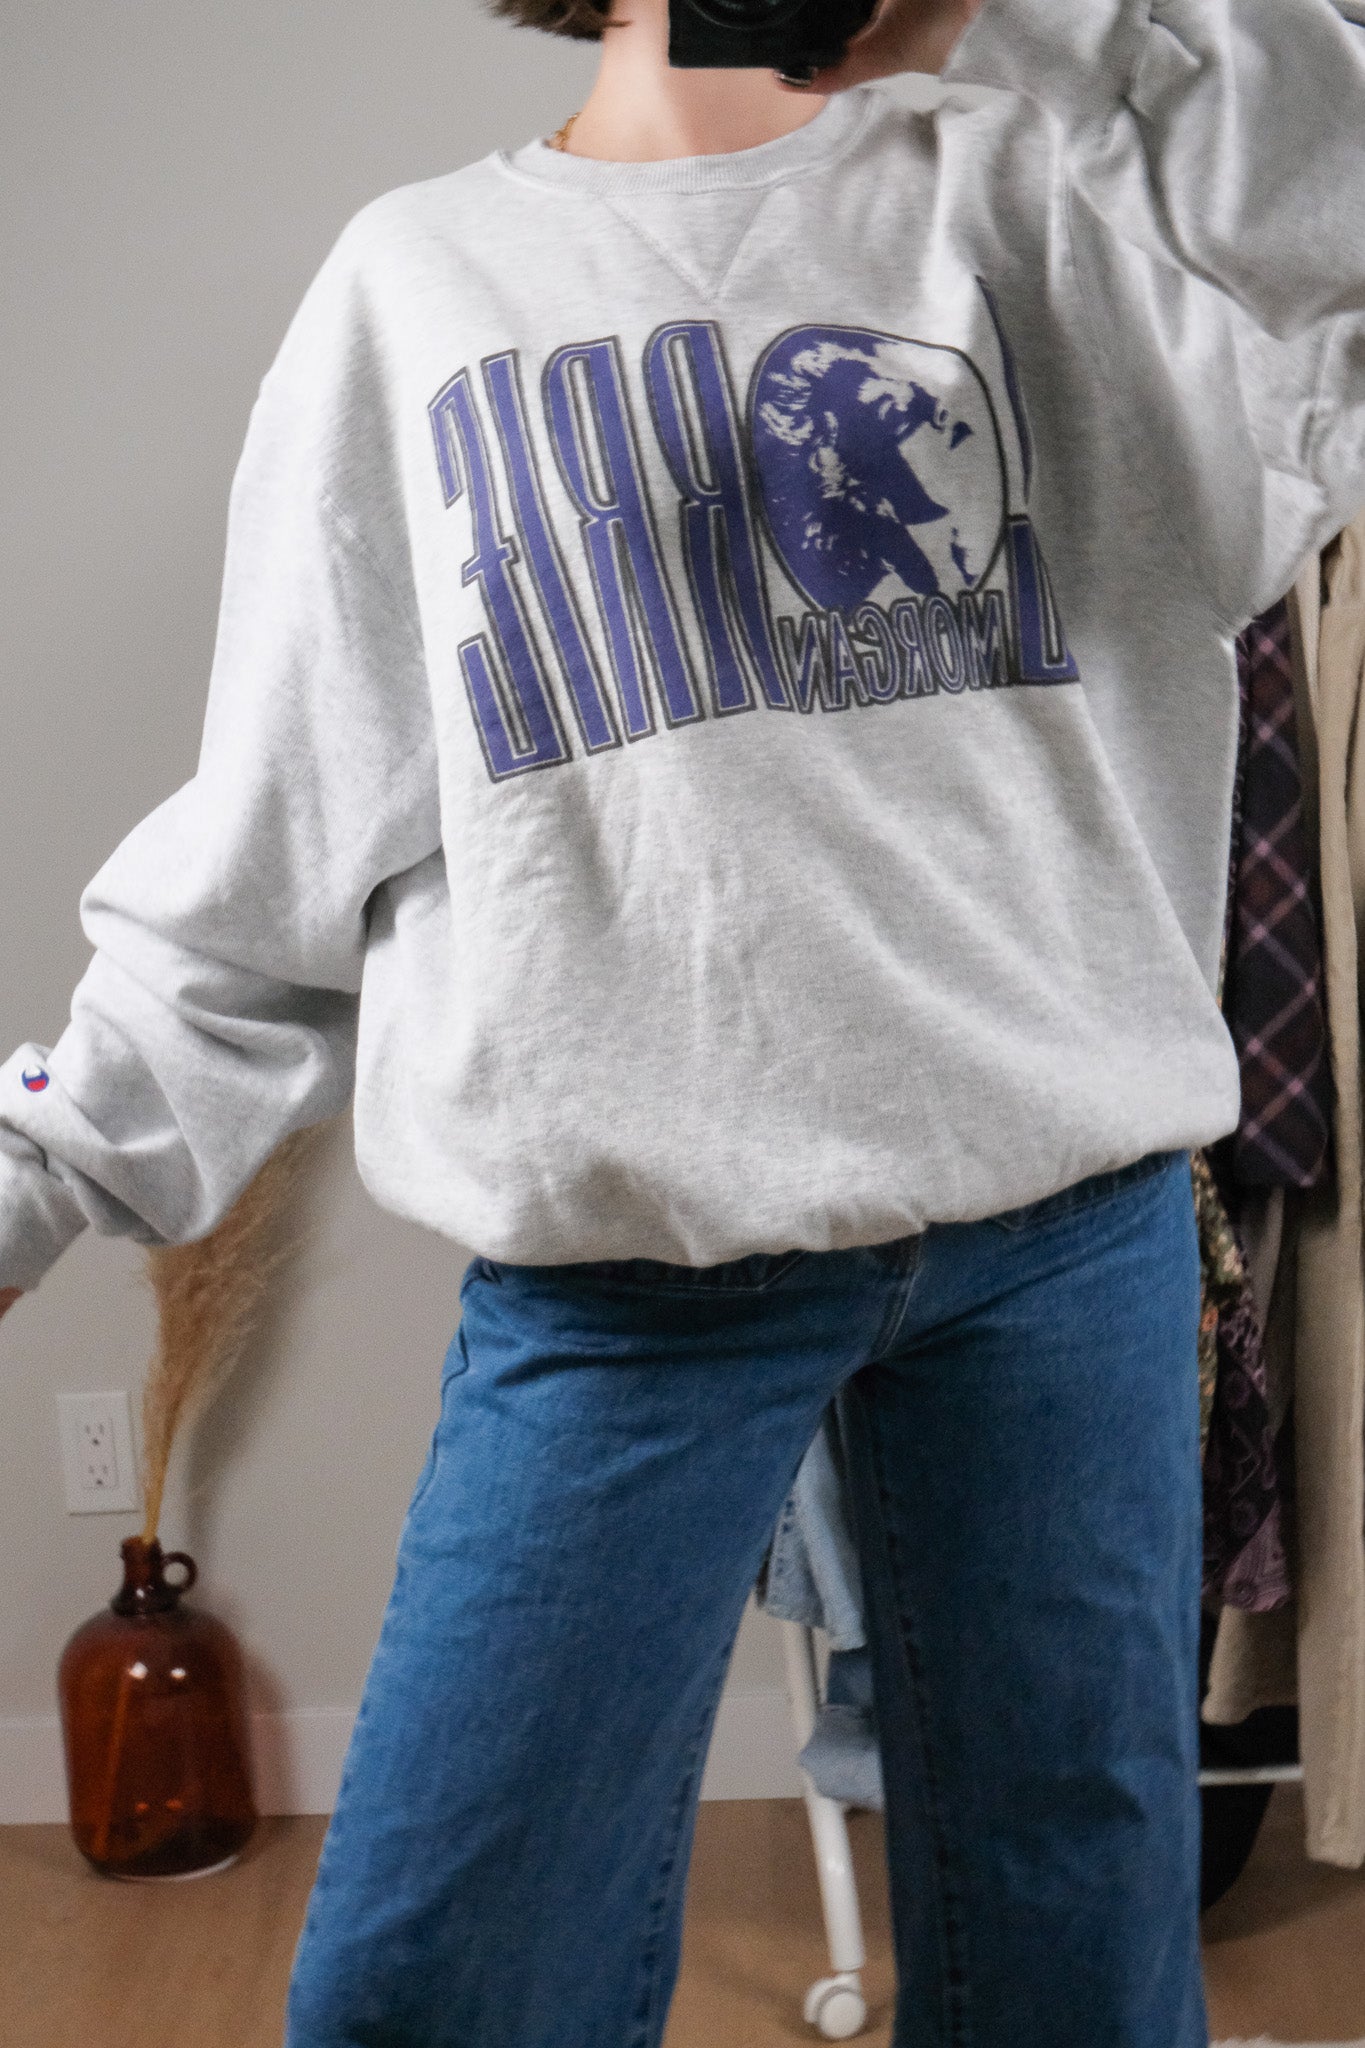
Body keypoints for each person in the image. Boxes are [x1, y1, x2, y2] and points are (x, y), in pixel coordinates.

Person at [3, 0, 1364, 2040]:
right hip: (624, 1290)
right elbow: (273, 851)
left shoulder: (1057, 196)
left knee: (1075, 1969)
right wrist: (38, 1173)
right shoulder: (418, 283)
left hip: (1063, 1247)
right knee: (440, 1987)